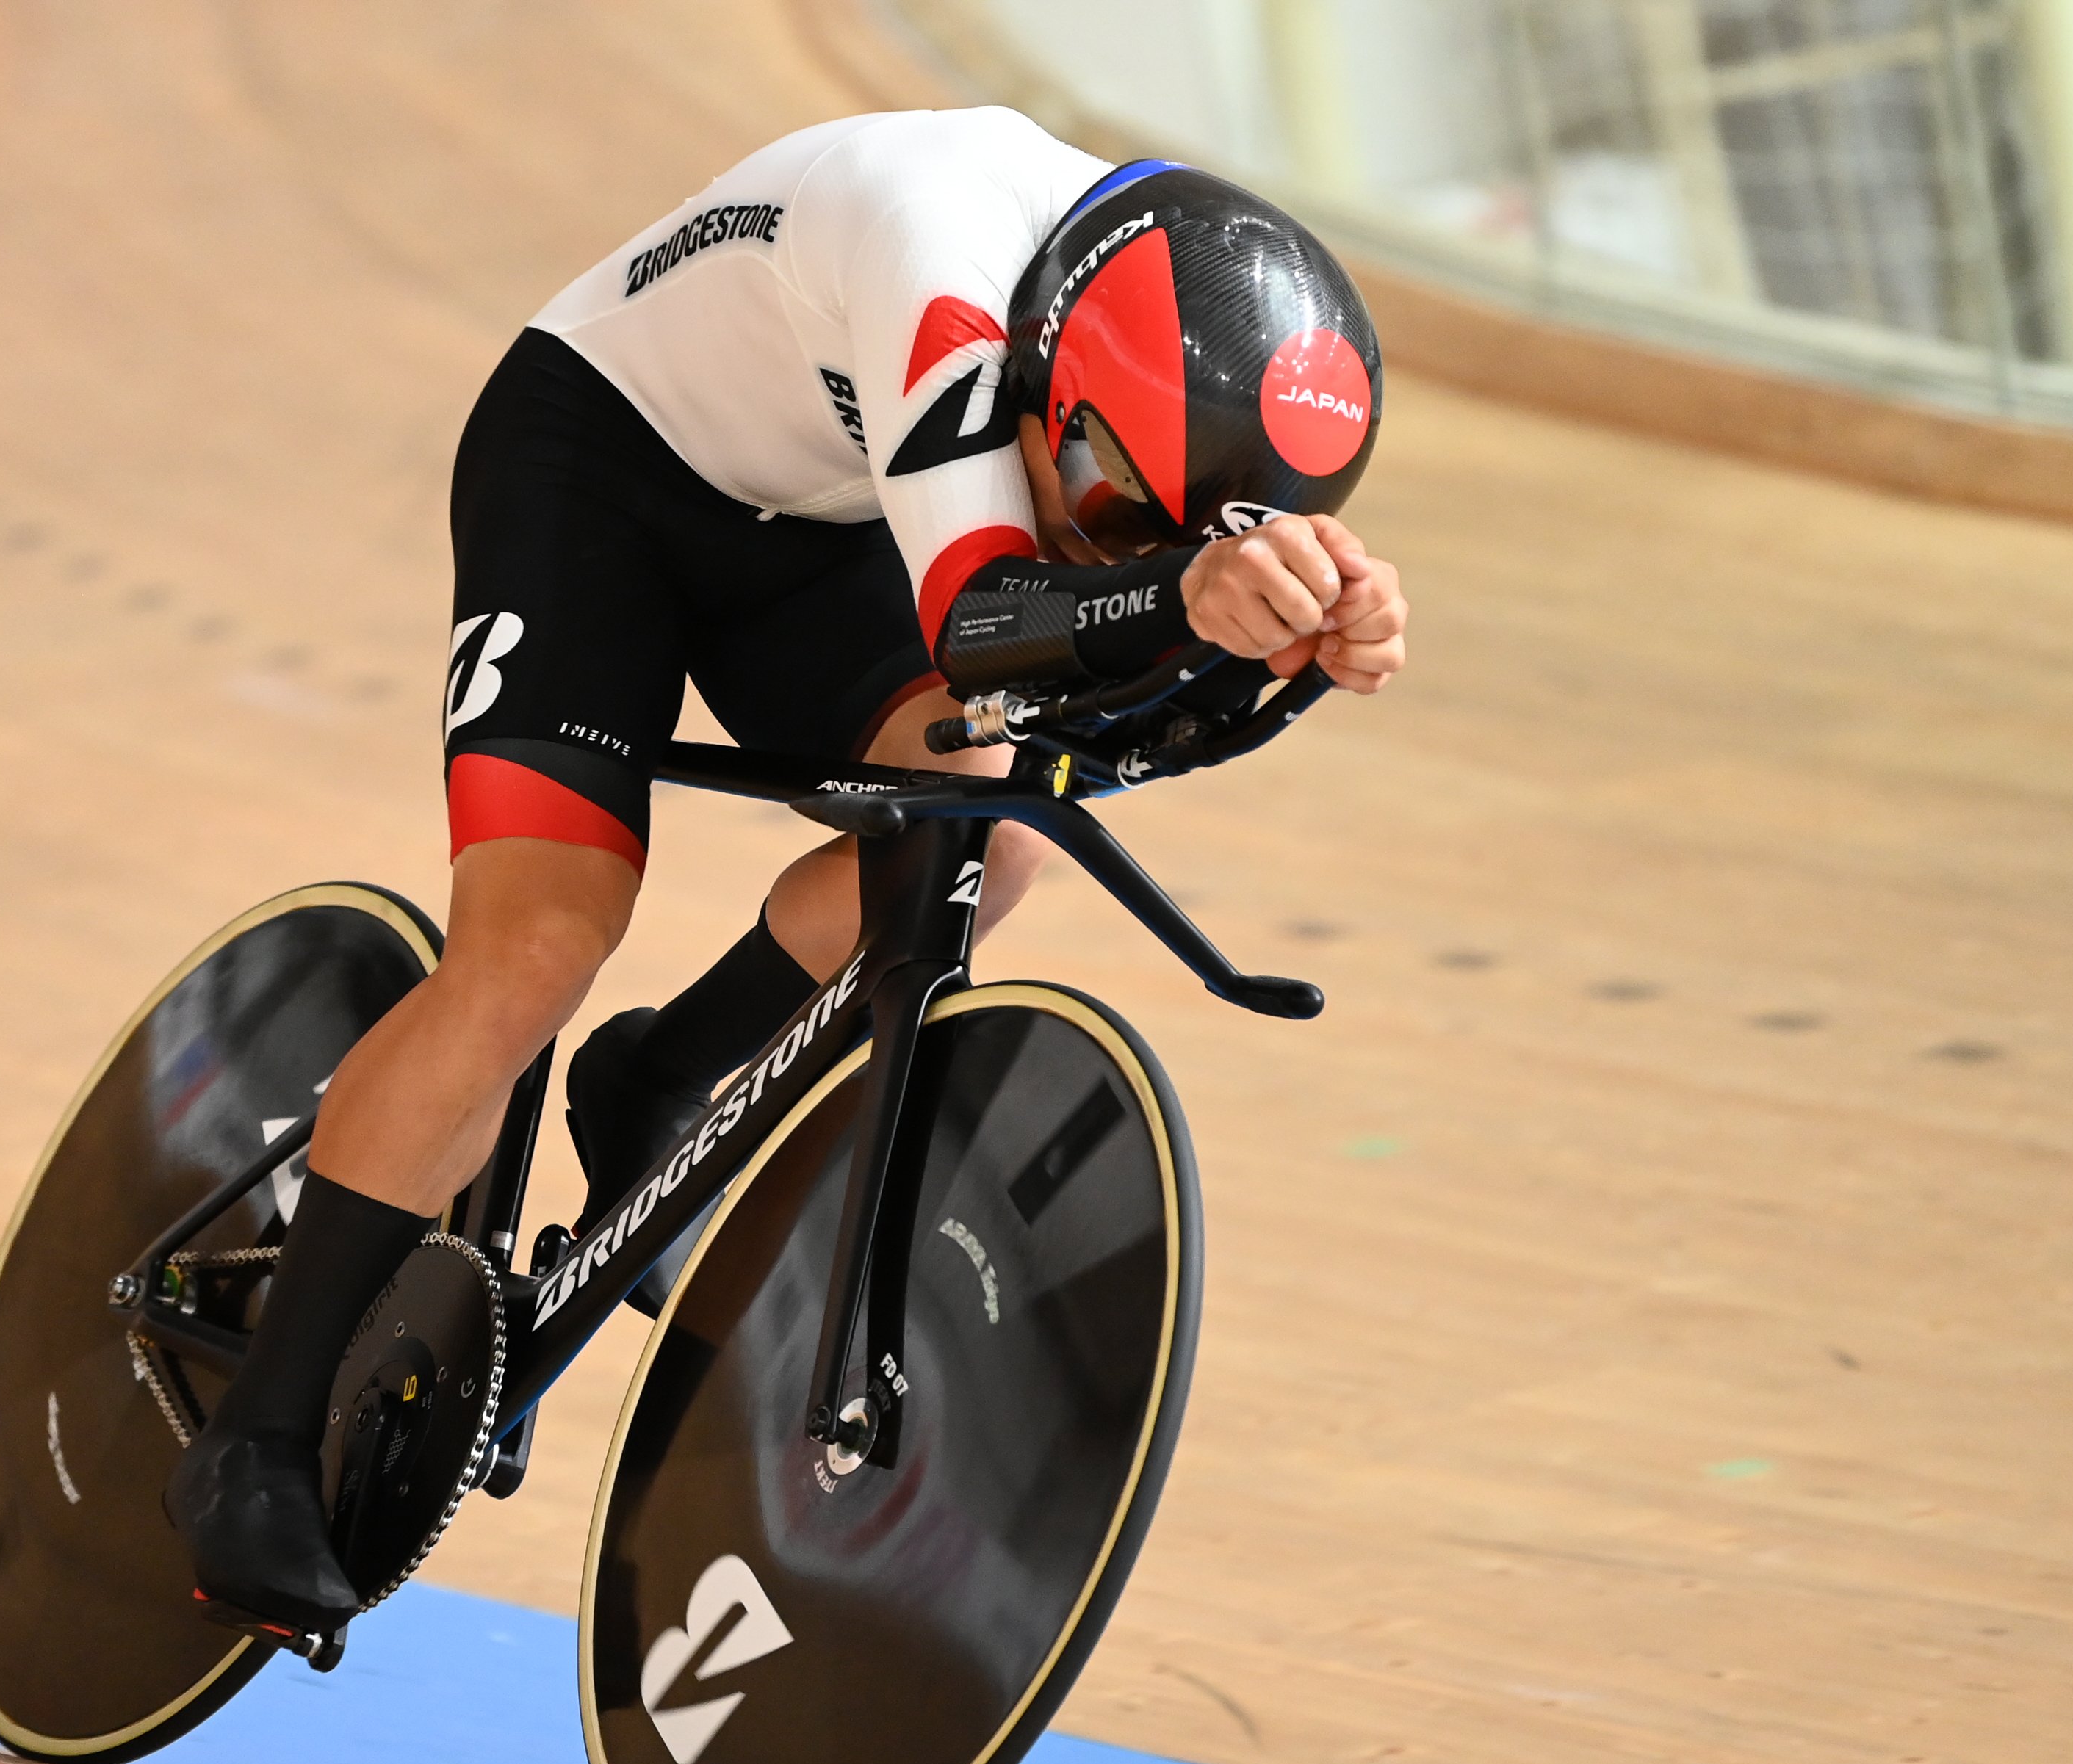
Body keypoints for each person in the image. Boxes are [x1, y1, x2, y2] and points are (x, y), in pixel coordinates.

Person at [166, 108, 1412, 1633]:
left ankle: (665, 1074)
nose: (1109, 550)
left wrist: (1276, 653)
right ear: (1045, 382)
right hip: (597, 470)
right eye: (1097, 511)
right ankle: (258, 1436)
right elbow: (988, 627)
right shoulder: (933, 248)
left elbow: (1085, 712)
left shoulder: (1150, 378)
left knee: (989, 829)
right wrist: (1177, 600)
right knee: (542, 938)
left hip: (821, 520)